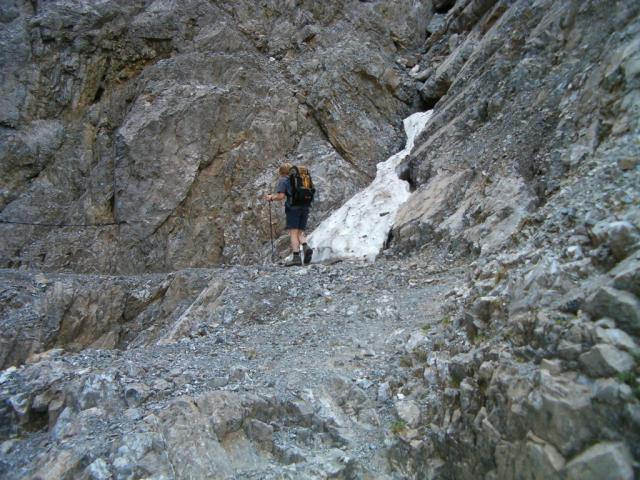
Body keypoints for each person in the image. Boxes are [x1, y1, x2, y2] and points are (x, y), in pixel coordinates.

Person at [265, 162, 313, 266]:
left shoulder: (284, 179)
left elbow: (281, 196)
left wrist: (271, 197)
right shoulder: (300, 178)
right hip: (305, 207)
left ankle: (296, 258)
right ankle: (306, 247)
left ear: (281, 172)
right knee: (300, 233)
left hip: (293, 209)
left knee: (293, 233)